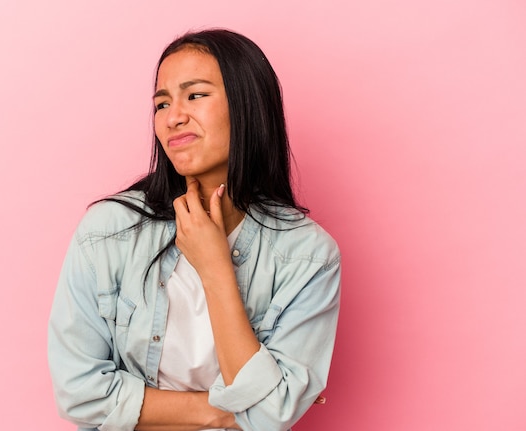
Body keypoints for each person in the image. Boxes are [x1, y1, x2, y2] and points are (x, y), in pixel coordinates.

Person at [48, 29, 341, 431]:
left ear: (246, 105)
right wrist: (226, 412)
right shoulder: (107, 232)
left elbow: (271, 417)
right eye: (162, 102)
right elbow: (79, 392)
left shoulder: (308, 257)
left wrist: (215, 266)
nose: (173, 117)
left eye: (195, 95)